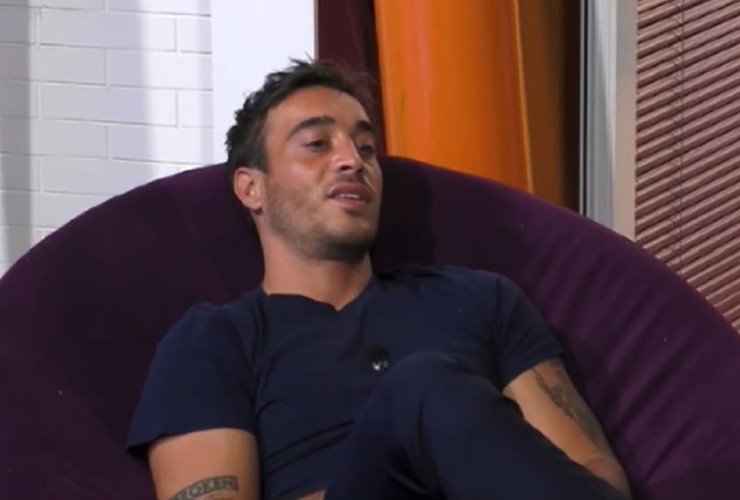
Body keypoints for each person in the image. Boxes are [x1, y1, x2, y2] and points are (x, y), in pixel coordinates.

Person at [127, 59, 632, 500]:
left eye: (366, 148)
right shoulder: (212, 341)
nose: (353, 160)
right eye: (316, 144)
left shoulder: (479, 299)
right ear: (251, 188)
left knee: (430, 388)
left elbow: (593, 471)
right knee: (423, 388)